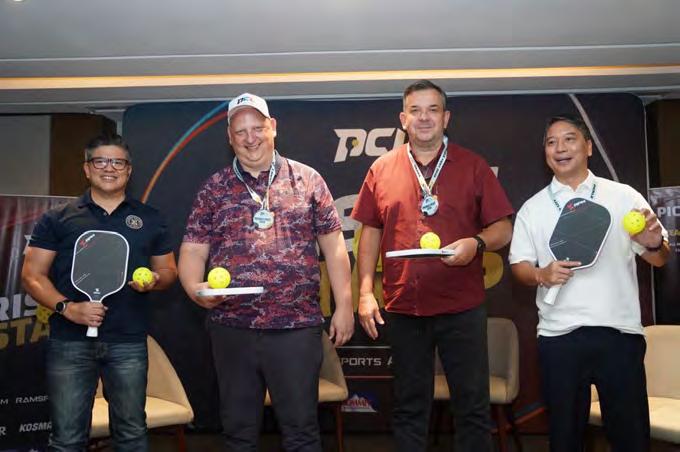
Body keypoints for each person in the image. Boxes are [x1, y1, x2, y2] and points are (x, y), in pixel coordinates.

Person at [178, 92, 354, 451]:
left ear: (272, 127)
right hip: (232, 329)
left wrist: (345, 306)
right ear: (230, 137)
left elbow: (335, 248)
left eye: (257, 128)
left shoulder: (307, 179)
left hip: (296, 328)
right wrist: (194, 287)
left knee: (301, 431)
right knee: (238, 432)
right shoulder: (214, 188)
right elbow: (193, 249)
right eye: (240, 131)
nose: (250, 138)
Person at [351, 80, 514, 452]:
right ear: (403, 119)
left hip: (462, 307)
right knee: (409, 408)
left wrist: (476, 243)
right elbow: (370, 233)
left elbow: (503, 228)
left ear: (446, 117)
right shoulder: (381, 168)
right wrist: (364, 292)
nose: (424, 118)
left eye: (433, 110)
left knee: (472, 407)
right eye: (416, 110)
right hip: (404, 307)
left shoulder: (473, 166)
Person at [509, 114, 669, 452]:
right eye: (551, 142)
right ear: (545, 153)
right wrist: (540, 274)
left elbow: (659, 259)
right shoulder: (532, 209)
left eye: (569, 139)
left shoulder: (623, 196)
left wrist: (653, 243)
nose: (560, 148)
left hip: (619, 334)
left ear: (588, 147)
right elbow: (519, 266)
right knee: (565, 439)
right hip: (558, 337)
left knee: (630, 437)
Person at [21, 134, 178, 452]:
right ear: (87, 168)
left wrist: (155, 280)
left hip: (128, 340)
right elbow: (32, 275)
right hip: (69, 341)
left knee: (131, 434)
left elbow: (169, 271)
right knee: (67, 439)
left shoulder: (150, 219)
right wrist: (68, 308)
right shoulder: (58, 218)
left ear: (128, 170)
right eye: (101, 161)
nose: (110, 168)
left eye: (118, 162)